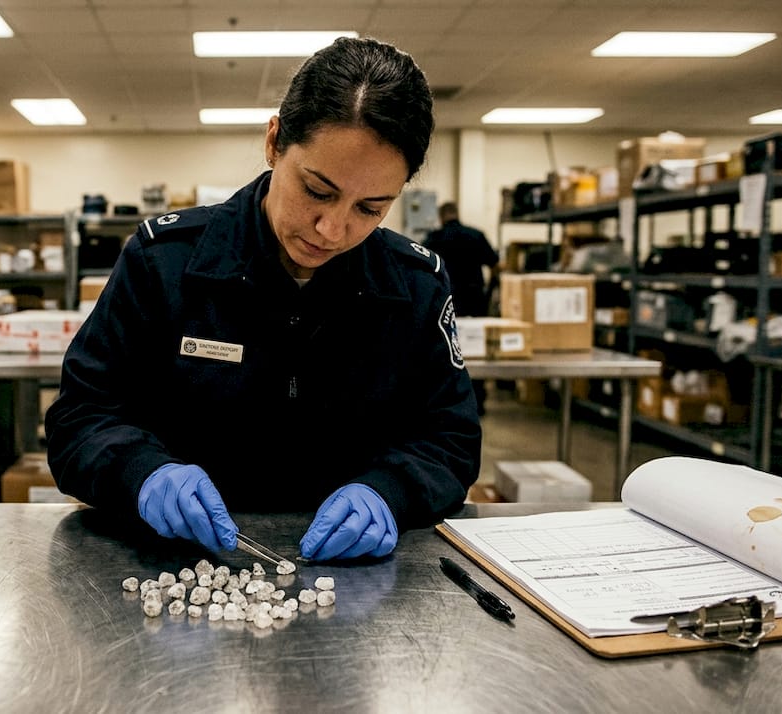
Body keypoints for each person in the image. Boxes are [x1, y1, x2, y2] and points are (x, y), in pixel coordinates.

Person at [44, 37, 481, 562]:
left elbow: (450, 438)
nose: (332, 229)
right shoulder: (164, 263)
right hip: (179, 565)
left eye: (371, 208)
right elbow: (80, 416)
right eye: (317, 190)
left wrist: (391, 492)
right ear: (275, 141)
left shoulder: (416, 285)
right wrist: (143, 473)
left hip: (354, 585)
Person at [421, 201, 499, 414]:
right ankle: (478, 401)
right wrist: (490, 291)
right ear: (457, 213)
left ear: (441, 216)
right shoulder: (476, 235)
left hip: (444, 303)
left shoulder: (434, 238)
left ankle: (451, 404)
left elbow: (421, 270)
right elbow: (496, 265)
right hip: (475, 300)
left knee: (447, 351)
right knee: (477, 349)